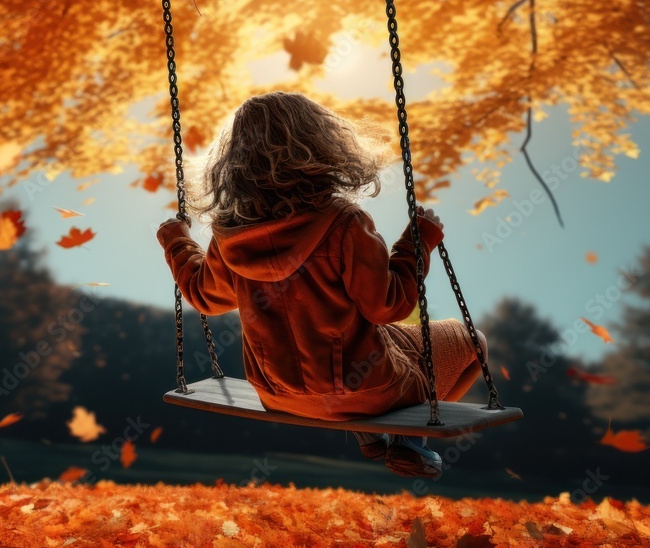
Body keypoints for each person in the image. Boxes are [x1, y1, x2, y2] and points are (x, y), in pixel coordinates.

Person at [157, 91, 488, 479]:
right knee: (472, 341)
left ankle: (366, 431)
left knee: (395, 338)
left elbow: (203, 297)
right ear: (321, 145)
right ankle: (408, 440)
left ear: (233, 164)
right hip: (369, 390)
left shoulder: (230, 237)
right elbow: (387, 305)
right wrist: (418, 240)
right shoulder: (345, 223)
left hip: (276, 395)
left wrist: (176, 240)